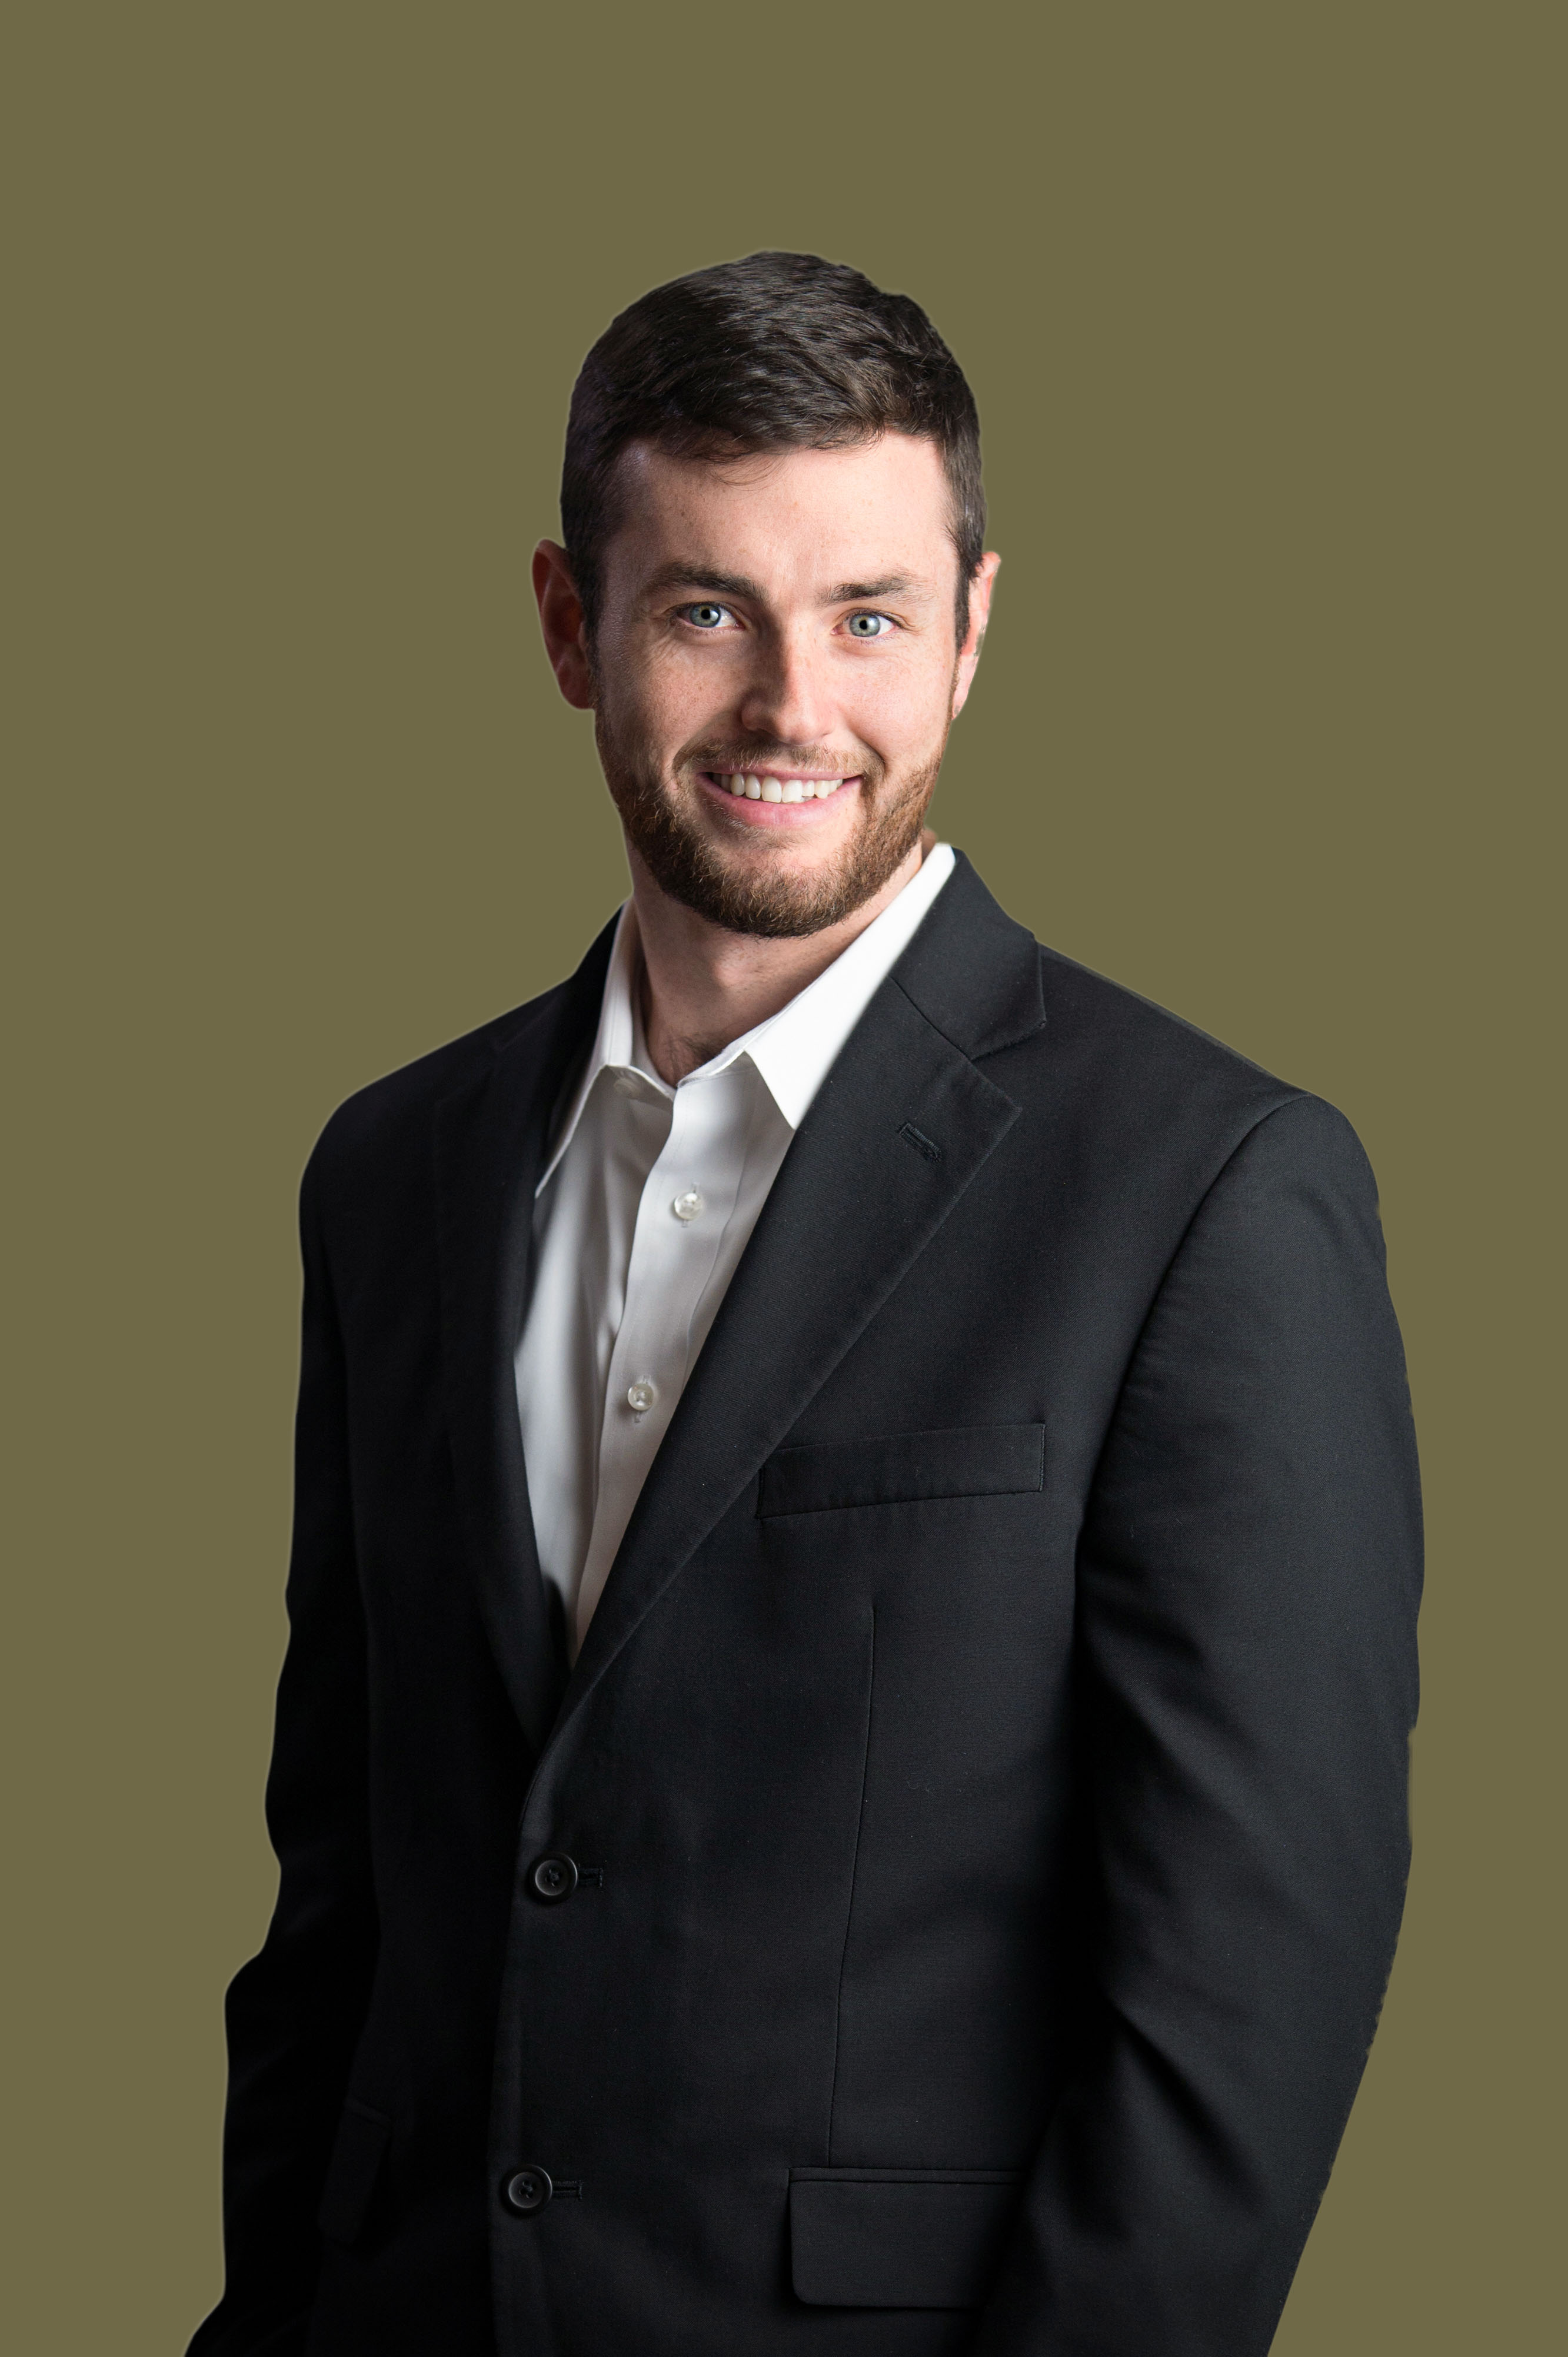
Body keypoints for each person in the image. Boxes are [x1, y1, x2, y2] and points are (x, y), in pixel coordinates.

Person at [188, 252, 1421, 2357]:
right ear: (568, 628)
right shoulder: (388, 1175)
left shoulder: (1207, 1186)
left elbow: (1244, 1994)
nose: (791, 707)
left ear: (971, 633)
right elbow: (342, 1894)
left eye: (866, 616)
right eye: (706, 612)